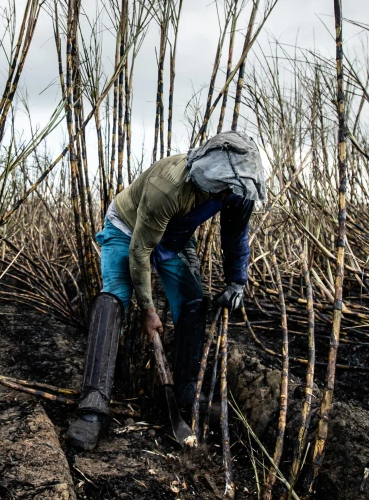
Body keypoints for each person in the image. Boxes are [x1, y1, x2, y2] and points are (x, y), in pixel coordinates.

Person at [66, 130, 266, 451]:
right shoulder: (168, 185)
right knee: (115, 296)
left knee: (193, 301)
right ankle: (93, 403)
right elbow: (140, 250)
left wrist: (237, 280)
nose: (231, 191)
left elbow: (234, 237)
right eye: (227, 184)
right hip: (128, 228)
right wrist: (148, 310)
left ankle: (187, 393)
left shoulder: (238, 191)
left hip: (175, 236)